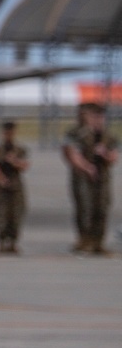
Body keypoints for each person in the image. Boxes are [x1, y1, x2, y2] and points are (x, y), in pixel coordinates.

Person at [62, 102, 118, 255]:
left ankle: (98, 242)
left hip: (103, 177)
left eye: (101, 117)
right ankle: (84, 240)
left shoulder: (107, 136)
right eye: (95, 116)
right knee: (84, 207)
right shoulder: (77, 133)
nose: (98, 120)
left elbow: (114, 156)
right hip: (83, 178)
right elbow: (72, 153)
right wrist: (87, 167)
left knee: (102, 207)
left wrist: (104, 154)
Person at [0, 120, 29, 254]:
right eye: (6, 132)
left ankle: (12, 242)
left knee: (16, 213)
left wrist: (14, 161)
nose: (8, 135)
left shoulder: (19, 149)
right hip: (1, 185)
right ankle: (1, 242)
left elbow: (25, 166)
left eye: (10, 132)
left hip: (16, 184)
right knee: (1, 213)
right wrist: (1, 179)